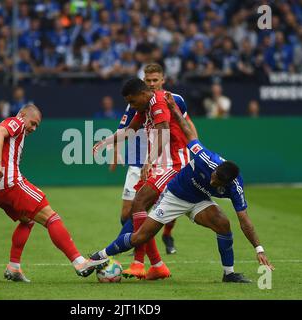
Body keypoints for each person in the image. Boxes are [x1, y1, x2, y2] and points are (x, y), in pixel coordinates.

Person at [90, 92, 274, 283]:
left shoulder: (236, 188)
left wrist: (259, 249)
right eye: (213, 177)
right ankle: (98, 256)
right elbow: (189, 133)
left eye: (217, 184)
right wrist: (174, 109)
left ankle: (229, 273)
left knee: (223, 224)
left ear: (227, 184)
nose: (213, 182)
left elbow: (244, 220)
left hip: (199, 199)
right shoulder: (205, 158)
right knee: (139, 237)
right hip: (175, 194)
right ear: (215, 169)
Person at [0, 104, 108, 282]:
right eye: (32, 123)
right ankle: (79, 262)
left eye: (37, 126)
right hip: (10, 183)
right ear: (22, 115)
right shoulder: (15, 123)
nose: (33, 128)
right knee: (51, 216)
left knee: (27, 220)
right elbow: (0, 132)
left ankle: (13, 267)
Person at [93, 78, 195, 280]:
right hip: (161, 164)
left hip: (174, 164)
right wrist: (105, 142)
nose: (131, 106)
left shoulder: (157, 102)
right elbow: (129, 130)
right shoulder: (144, 107)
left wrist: (149, 160)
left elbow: (164, 132)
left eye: (132, 102)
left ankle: (138, 261)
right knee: (138, 209)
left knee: (140, 205)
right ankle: (153, 264)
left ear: (142, 94)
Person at [112, 63, 192, 260]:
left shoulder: (175, 100)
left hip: (167, 162)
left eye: (155, 80)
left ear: (163, 80)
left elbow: (187, 124)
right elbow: (126, 128)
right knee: (127, 214)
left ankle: (153, 243)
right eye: (148, 81)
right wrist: (114, 149)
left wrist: (195, 148)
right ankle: (138, 244)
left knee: (161, 207)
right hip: (139, 160)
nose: (152, 84)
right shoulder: (135, 101)